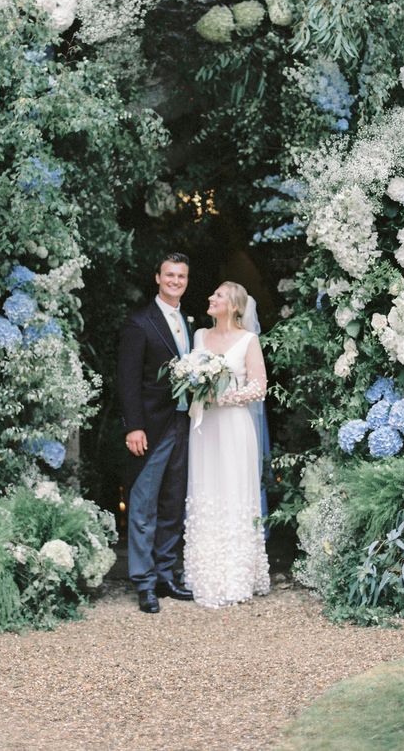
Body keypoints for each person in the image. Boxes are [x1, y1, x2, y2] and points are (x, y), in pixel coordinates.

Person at [184, 281, 271, 608]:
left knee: (234, 491)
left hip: (234, 424)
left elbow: (259, 387)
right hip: (205, 426)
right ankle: (205, 574)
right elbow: (192, 378)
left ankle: (236, 575)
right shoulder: (199, 337)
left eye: (217, 295)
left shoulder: (248, 340)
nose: (211, 297)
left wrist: (230, 396)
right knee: (206, 490)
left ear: (234, 306)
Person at [117, 252, 194, 613]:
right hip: (150, 425)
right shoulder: (140, 322)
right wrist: (133, 426)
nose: (175, 281)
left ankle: (166, 574)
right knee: (144, 504)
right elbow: (128, 380)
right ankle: (144, 581)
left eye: (181, 276)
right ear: (157, 278)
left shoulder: (189, 322)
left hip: (183, 423)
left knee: (173, 502)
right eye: (169, 275)